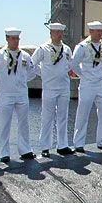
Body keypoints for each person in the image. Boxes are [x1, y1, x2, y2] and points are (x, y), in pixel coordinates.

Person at [0, 27, 35, 162]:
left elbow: (32, 72)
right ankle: (4, 153)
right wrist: (3, 81)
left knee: (23, 123)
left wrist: (21, 81)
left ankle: (25, 149)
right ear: (7, 39)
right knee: (4, 124)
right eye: (13, 38)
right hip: (5, 94)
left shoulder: (25, 56)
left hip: (21, 93)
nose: (16, 41)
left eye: (17, 39)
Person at [69, 21, 102, 151]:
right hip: (87, 83)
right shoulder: (82, 47)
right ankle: (79, 143)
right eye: (96, 31)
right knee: (83, 113)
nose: (99, 33)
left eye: (101, 31)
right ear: (90, 32)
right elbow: (74, 64)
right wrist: (83, 75)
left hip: (100, 82)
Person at [34, 22, 73, 157]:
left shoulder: (67, 49)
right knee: (47, 117)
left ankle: (62, 145)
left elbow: (69, 65)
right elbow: (32, 64)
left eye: (61, 32)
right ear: (51, 33)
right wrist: (43, 74)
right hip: (49, 88)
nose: (59, 34)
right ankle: (45, 146)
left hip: (63, 87)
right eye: (56, 32)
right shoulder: (43, 48)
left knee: (63, 117)